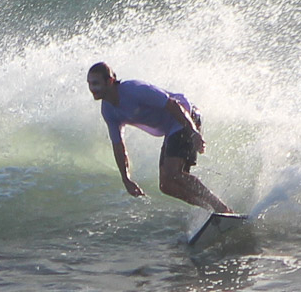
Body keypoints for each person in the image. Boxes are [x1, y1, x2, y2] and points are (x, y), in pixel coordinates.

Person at [86, 62, 235, 214]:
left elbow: (172, 105)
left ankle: (221, 208)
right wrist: (126, 179)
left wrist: (193, 132)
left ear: (110, 81)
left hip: (186, 116)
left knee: (173, 173)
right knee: (166, 186)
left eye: (96, 83)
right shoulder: (108, 110)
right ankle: (212, 210)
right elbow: (118, 145)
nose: (92, 88)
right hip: (171, 129)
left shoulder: (134, 89)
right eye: (90, 84)